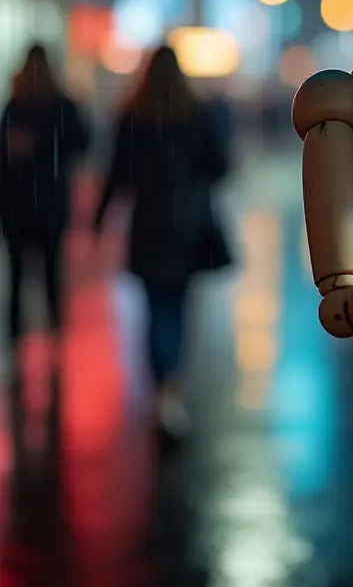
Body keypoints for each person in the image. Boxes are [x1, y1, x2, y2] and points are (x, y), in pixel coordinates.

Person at [93, 45, 230, 437]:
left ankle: (161, 386)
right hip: (188, 225)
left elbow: (118, 172)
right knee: (178, 307)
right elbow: (221, 165)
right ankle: (170, 389)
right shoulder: (197, 114)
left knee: (154, 309)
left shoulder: (133, 115)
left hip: (148, 224)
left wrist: (100, 220)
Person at [0, 44, 90, 347]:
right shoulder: (60, 106)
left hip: (16, 206)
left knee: (18, 276)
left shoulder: (16, 106)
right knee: (52, 273)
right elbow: (83, 143)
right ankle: (54, 335)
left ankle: (17, 338)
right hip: (49, 203)